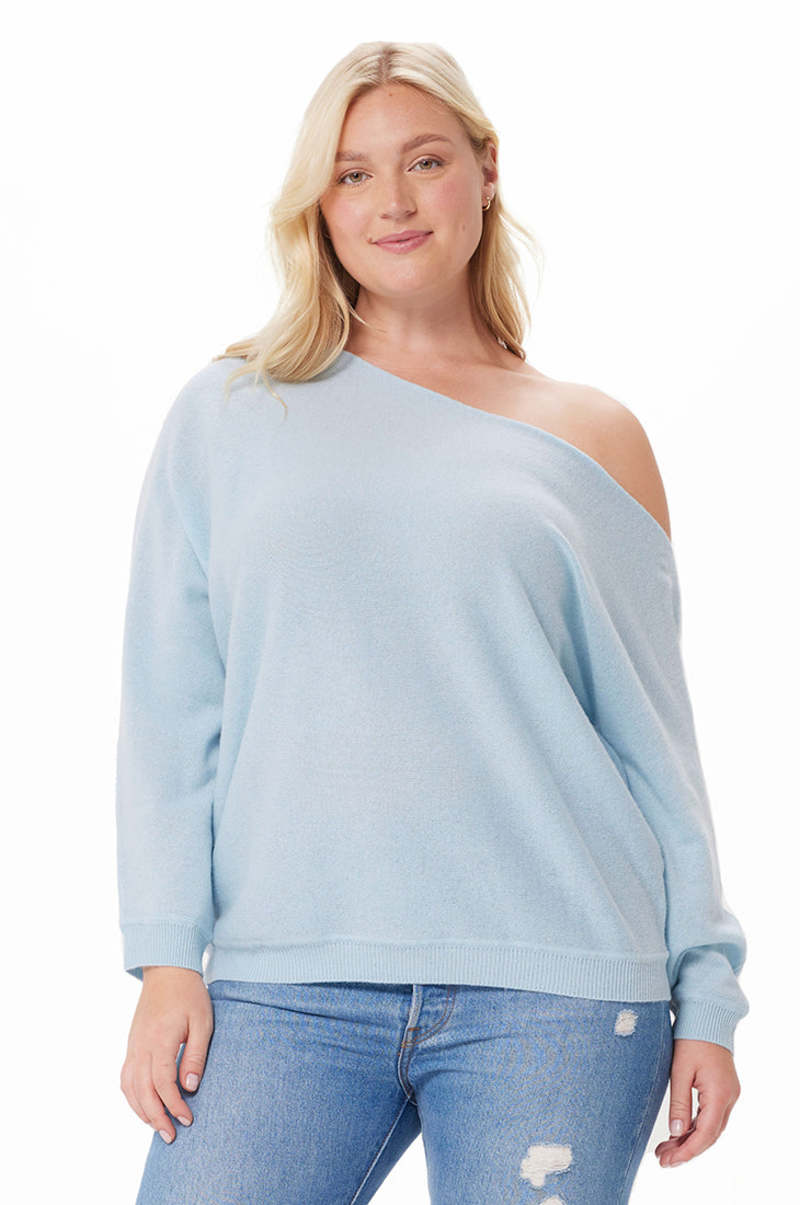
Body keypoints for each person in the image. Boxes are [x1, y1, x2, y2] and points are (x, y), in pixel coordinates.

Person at [116, 41, 748, 1204]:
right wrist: (165, 955)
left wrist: (704, 993)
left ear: (485, 170)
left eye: (423, 161)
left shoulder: (590, 434)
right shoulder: (230, 412)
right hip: (286, 981)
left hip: (559, 989)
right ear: (317, 204)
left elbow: (652, 743)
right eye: (351, 174)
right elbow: (171, 705)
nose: (392, 202)